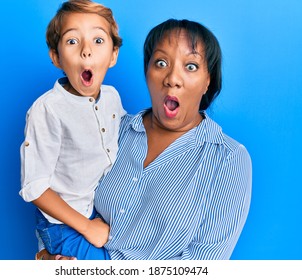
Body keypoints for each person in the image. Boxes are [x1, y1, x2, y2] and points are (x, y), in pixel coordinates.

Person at [38, 18, 252, 260]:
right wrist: (48, 256)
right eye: (161, 62)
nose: (172, 78)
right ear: (147, 71)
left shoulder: (227, 159)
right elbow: (65, 191)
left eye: (190, 66)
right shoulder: (113, 129)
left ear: (208, 80)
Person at [19, 0, 125, 260]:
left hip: (96, 211)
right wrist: (87, 227)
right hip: (62, 223)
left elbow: (128, 134)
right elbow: (35, 187)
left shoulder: (112, 97)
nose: (86, 51)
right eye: (72, 41)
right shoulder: (48, 110)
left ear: (113, 55)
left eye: (98, 41)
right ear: (56, 57)